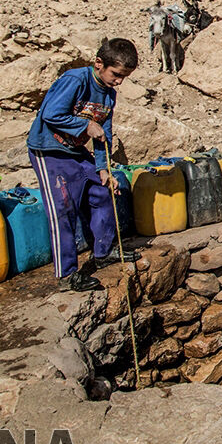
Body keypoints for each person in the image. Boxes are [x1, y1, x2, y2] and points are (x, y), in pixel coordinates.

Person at [28, 38, 139, 292]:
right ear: (99, 64)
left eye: (124, 77)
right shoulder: (75, 80)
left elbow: (104, 133)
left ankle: (103, 252)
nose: (119, 81)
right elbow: (51, 114)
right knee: (63, 207)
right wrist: (86, 126)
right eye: (116, 74)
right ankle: (67, 274)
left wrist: (103, 168)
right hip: (49, 150)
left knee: (102, 191)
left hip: (76, 149)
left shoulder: (109, 94)